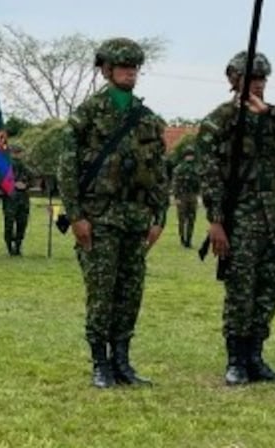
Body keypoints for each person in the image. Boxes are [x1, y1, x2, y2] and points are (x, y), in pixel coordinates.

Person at [196, 51, 275, 385]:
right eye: (250, 79)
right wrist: (216, 221)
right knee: (241, 290)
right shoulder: (220, 120)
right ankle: (236, 360)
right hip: (240, 219)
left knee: (268, 290)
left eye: (262, 79)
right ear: (233, 79)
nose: (257, 85)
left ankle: (256, 357)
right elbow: (208, 173)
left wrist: (271, 114)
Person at [58, 37, 168, 388]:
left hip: (137, 219)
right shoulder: (87, 115)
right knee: (101, 292)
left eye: (134, 67)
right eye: (122, 66)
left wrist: (159, 217)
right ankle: (100, 363)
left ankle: (123, 361)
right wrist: (76, 216)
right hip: (99, 217)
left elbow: (160, 172)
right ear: (106, 70)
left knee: (130, 291)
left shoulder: (148, 119)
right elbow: (67, 167)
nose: (129, 72)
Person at [171, 147, 201, 248]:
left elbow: (199, 183)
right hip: (182, 195)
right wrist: (176, 197)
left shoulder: (196, 168)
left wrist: (199, 196)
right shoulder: (179, 168)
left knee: (191, 219)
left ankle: (188, 240)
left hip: (192, 195)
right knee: (182, 219)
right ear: (184, 156)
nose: (190, 157)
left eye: (191, 155)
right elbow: (175, 183)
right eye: (188, 155)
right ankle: (183, 239)